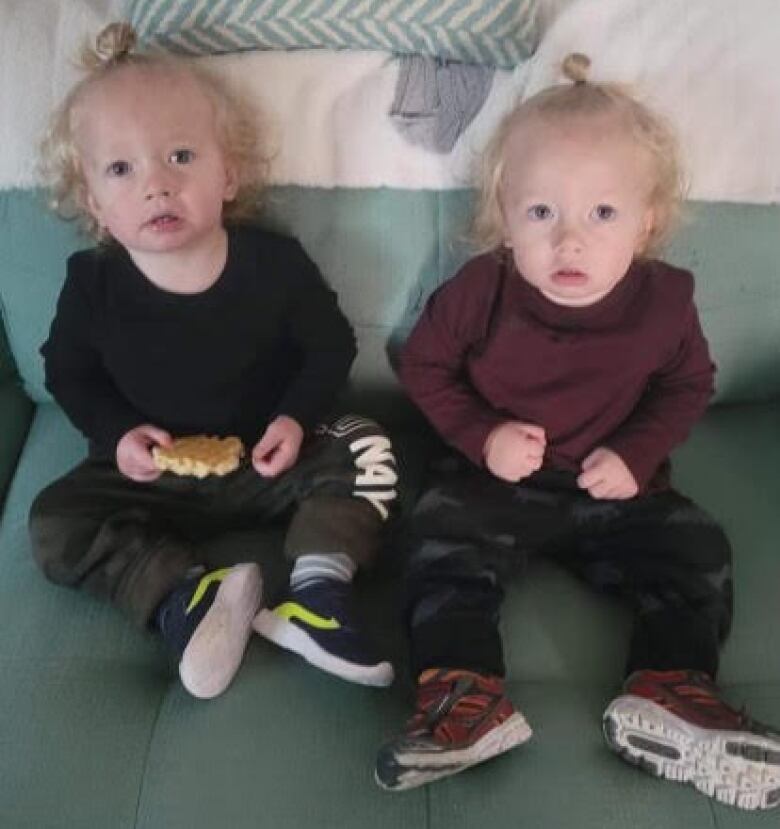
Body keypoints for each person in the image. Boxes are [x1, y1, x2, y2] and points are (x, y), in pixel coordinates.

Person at [374, 53, 780, 810]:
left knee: (696, 549)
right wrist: (482, 431)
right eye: (541, 213)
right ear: (504, 211)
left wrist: (637, 452)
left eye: (602, 213)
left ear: (648, 220)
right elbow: (423, 363)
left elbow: (688, 383)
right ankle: (464, 701)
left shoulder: (664, 302)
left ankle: (673, 688)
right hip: (492, 481)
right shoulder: (482, 289)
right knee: (435, 537)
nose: (570, 242)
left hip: (612, 488)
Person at [30, 23, 398, 701]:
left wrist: (294, 417)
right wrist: (118, 434)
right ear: (95, 204)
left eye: (180, 156)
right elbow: (68, 372)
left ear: (227, 173)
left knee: (371, 444)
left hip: (269, 459)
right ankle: (187, 594)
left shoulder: (272, 262)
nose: (156, 187)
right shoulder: (93, 283)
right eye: (122, 169)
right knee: (53, 521)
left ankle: (317, 592)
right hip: (149, 474)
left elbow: (330, 345)